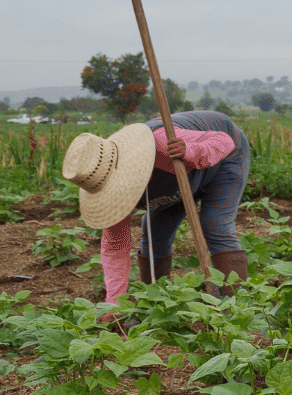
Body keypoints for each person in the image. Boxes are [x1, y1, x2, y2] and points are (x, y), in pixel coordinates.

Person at [59, 108, 253, 302]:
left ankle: (235, 307)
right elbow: (115, 248)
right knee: (153, 233)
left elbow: (223, 140)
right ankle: (157, 302)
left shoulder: (161, 142)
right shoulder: (102, 181)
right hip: (177, 180)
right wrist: (114, 304)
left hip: (225, 158)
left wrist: (191, 151)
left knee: (214, 223)